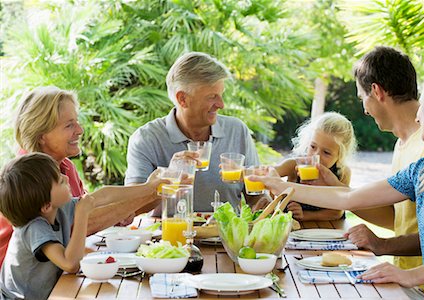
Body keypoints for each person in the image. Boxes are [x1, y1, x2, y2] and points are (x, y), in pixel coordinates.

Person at [251, 69, 424, 299]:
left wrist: (411, 276)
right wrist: (282, 186)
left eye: (422, 107)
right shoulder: (422, 171)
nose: (417, 116)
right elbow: (347, 198)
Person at [0, 86, 161, 267]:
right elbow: (81, 223)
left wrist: (147, 190)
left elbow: (95, 200)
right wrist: (154, 191)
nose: (80, 130)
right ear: (41, 135)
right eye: (69, 125)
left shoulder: (65, 166)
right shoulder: (27, 178)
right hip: (28, 282)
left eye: (76, 122)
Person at [0, 153, 164, 299]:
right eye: (58, 180)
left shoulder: (57, 207)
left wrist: (149, 188)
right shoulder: (35, 228)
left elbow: (104, 195)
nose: (65, 177)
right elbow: (70, 264)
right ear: (46, 206)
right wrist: (82, 215)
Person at [125, 51, 259, 213]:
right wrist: (170, 177)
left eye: (221, 95)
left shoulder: (237, 131)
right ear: (182, 99)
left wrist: (264, 203)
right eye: (212, 97)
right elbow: (131, 206)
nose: (221, 104)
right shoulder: (146, 139)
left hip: (224, 236)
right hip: (168, 236)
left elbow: (255, 195)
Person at [349, 46, 424, 274]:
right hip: (407, 281)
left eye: (361, 98)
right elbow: (397, 219)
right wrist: (341, 194)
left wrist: (382, 245)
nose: (364, 109)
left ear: (376, 91)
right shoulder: (402, 143)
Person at [275, 112, 357, 221]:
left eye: (326, 152)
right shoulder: (294, 166)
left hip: (328, 229)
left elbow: (336, 212)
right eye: (313, 146)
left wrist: (305, 215)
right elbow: (268, 174)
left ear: (340, 155)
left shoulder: (342, 172)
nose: (316, 155)